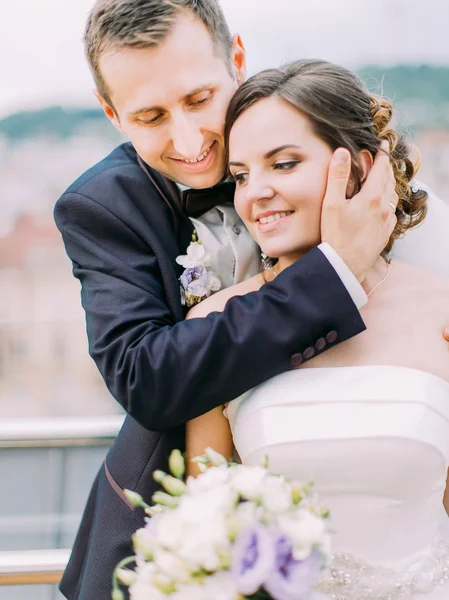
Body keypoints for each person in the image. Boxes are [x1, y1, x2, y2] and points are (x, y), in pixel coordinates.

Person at [54, 1, 449, 598]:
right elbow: (145, 377)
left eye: (197, 99)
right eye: (151, 116)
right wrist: (332, 272)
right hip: (182, 539)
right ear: (112, 113)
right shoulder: (101, 207)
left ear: (236, 58)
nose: (189, 141)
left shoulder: (376, 203)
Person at [185, 59, 449, 599]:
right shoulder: (216, 323)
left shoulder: (441, 311)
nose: (253, 193)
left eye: (283, 164)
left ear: (359, 169)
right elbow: (200, 532)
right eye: (240, 175)